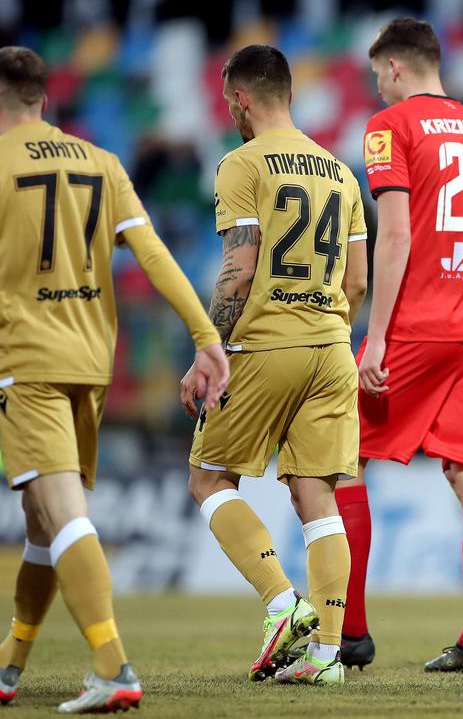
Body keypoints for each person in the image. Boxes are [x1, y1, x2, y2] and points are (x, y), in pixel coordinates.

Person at [0, 45, 228, 712]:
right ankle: (11, 666)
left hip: (28, 362)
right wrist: (205, 334)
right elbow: (153, 252)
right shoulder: (101, 163)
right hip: (91, 366)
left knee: (64, 512)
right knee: (41, 519)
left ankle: (113, 665)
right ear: (46, 99)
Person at [182, 45, 368, 687]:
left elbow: (239, 266)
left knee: (209, 479)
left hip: (267, 344)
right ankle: (327, 656)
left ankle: (283, 603)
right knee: (318, 495)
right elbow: (359, 280)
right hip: (332, 345)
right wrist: (328, 328)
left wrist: (211, 351)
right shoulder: (340, 171)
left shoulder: (240, 164)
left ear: (239, 98)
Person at [336, 17, 463, 674]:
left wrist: (374, 339)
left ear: (397, 67)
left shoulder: (391, 127)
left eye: (379, 74)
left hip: (414, 322)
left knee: (340, 458)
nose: (378, 87)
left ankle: (350, 631)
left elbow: (396, 235)